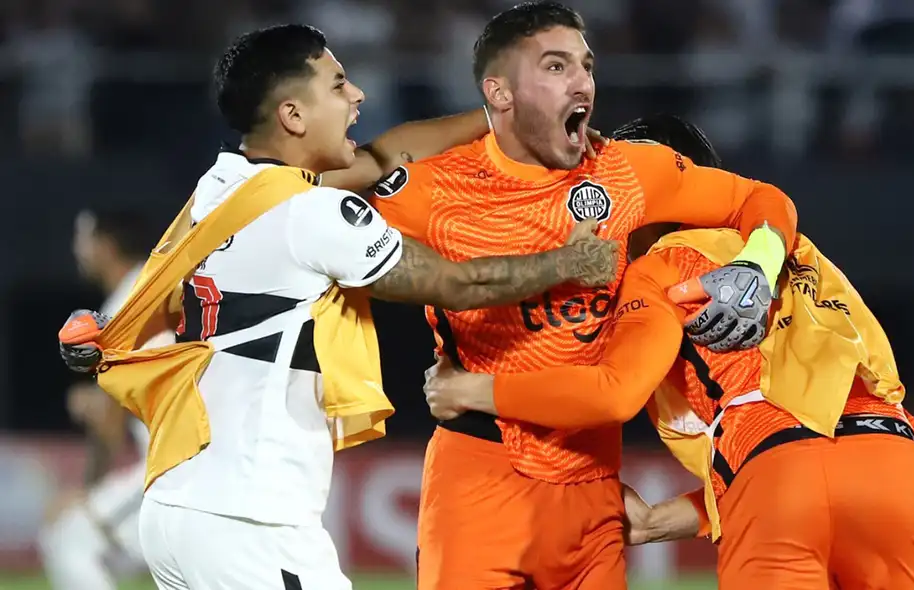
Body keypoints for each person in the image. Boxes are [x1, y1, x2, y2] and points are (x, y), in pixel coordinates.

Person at [57, 24, 617, 590]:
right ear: (294, 115)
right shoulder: (311, 216)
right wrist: (567, 263)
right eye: (338, 84)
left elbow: (385, 157)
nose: (358, 97)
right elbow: (459, 284)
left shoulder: (222, 189)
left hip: (180, 510)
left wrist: (505, 117)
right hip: (251, 518)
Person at [423, 113, 914, 589]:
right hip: (893, 461)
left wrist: (473, 388)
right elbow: (825, 434)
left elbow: (615, 395)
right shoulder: (805, 255)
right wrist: (658, 521)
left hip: (775, 476)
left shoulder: (660, 268)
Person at [369, 3, 799, 588]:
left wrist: (759, 263)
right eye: (555, 66)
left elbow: (760, 199)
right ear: (500, 93)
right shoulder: (434, 190)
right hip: (480, 478)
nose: (582, 82)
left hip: (597, 486)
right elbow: (327, 195)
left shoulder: (625, 173)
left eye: (586, 66)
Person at [39, 209, 172, 590]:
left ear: (107, 245)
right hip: (195, 460)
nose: (78, 249)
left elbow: (109, 422)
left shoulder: (121, 310)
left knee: (69, 539)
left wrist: (89, 490)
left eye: (85, 238)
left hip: (174, 469)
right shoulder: (155, 286)